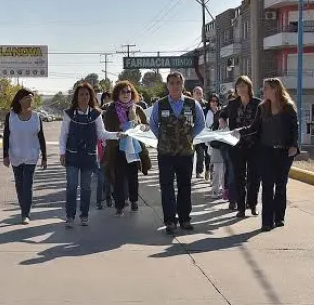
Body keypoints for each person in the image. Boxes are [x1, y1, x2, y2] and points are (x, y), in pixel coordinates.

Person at [235, 77, 300, 231]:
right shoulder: (262, 107)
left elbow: (295, 128)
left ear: (275, 89)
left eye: (265, 88)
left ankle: (279, 218)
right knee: (267, 186)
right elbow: (254, 127)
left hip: (284, 152)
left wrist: (294, 146)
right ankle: (266, 221)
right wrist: (239, 132)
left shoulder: (288, 107)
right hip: (266, 151)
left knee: (281, 185)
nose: (262, 91)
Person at [148, 71, 206, 233]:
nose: (175, 86)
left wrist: (190, 136)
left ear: (182, 85)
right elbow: (153, 124)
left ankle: (185, 219)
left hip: (185, 152)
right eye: (171, 83)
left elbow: (200, 124)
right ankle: (170, 221)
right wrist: (163, 138)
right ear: (167, 86)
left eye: (178, 83)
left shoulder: (192, 103)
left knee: (185, 186)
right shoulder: (160, 104)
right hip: (165, 153)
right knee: (166, 186)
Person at [59, 82, 122, 227]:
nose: (84, 97)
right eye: (81, 94)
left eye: (87, 94)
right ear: (76, 96)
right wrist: (62, 153)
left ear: (91, 96)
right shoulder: (68, 114)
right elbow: (63, 135)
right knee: (72, 186)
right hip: (72, 156)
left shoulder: (96, 114)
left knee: (86, 187)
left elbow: (101, 133)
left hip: (89, 156)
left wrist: (117, 135)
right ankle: (69, 216)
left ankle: (84, 215)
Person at [102, 80, 151, 215]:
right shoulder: (111, 110)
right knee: (118, 177)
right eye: (123, 92)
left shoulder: (137, 108)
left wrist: (141, 127)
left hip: (134, 148)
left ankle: (134, 200)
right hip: (117, 148)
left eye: (128, 91)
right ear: (117, 93)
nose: (126, 94)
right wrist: (119, 130)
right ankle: (119, 204)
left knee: (133, 176)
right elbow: (106, 128)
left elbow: (147, 126)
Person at [2, 88, 48, 225]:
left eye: (31, 98)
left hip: (31, 155)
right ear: (20, 100)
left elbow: (41, 137)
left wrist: (44, 157)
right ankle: (24, 209)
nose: (30, 100)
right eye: (27, 97)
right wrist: (5, 155)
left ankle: (25, 214)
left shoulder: (36, 117)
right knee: (19, 185)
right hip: (16, 155)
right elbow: (6, 136)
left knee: (27, 185)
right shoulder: (11, 116)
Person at [224, 75, 261, 218]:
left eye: (243, 86)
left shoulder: (258, 103)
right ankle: (241, 207)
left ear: (249, 87)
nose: (241, 89)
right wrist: (222, 119)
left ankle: (252, 205)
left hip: (254, 146)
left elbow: (260, 124)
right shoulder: (233, 103)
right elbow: (223, 113)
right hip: (237, 146)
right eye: (238, 86)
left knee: (254, 177)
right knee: (239, 177)